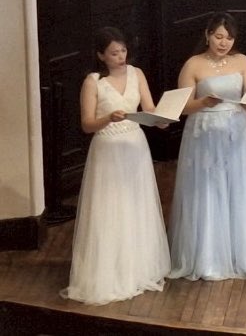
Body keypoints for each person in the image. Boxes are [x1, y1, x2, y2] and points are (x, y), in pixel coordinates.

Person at [168, 12, 246, 281]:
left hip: (237, 128)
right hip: (204, 130)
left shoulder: (242, 61)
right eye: (219, 37)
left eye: (229, 38)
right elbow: (182, 106)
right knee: (208, 189)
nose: (224, 43)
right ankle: (208, 257)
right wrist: (203, 102)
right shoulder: (193, 64)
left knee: (240, 186)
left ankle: (244, 253)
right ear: (207, 35)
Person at [61, 27, 170, 305]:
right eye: (113, 53)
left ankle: (139, 268)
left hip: (135, 146)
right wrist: (108, 118)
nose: (120, 57)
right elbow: (87, 124)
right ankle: (110, 272)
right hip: (108, 149)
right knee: (110, 207)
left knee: (136, 204)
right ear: (101, 55)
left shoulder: (137, 74)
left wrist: (162, 119)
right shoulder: (93, 82)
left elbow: (149, 108)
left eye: (123, 51)